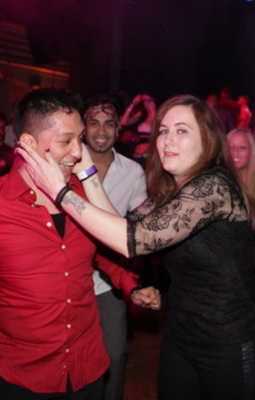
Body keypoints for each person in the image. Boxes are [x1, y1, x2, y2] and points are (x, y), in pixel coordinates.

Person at [19, 94, 255, 400]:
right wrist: (88, 173)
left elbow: (135, 240)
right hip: (181, 335)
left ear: (208, 139)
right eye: (163, 131)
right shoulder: (172, 190)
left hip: (229, 340)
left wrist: (59, 191)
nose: (168, 140)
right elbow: (121, 226)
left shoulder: (213, 186)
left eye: (181, 130)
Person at [0, 88, 158, 400]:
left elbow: (101, 252)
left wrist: (130, 284)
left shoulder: (81, 197)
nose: (78, 152)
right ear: (28, 143)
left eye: (79, 139)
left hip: (87, 367)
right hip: (24, 376)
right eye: (66, 141)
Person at [83, 96, 147, 400]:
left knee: (115, 355)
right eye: (93, 123)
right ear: (83, 128)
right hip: (67, 278)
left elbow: (142, 221)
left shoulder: (132, 172)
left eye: (108, 124)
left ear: (118, 130)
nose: (101, 131)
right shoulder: (66, 165)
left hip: (109, 280)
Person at [227, 128, 255, 264]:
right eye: (230, 147)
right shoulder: (214, 185)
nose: (235, 152)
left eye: (242, 147)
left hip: (246, 258)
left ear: (251, 153)